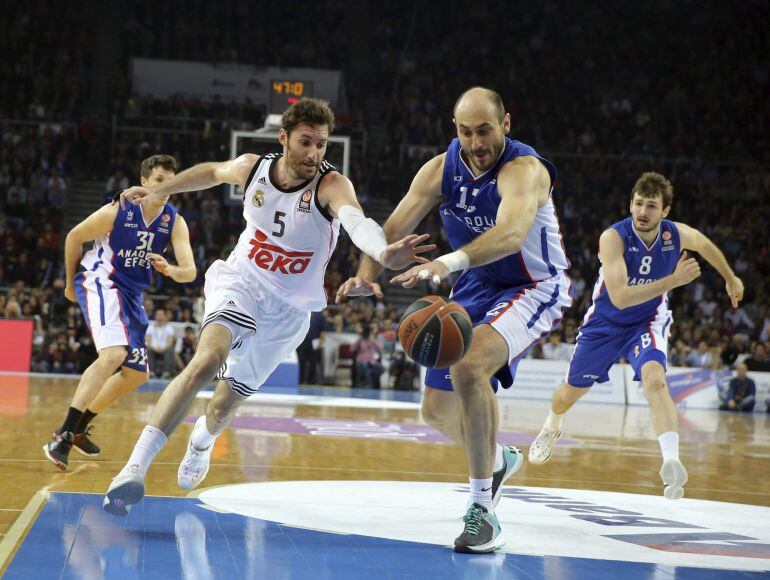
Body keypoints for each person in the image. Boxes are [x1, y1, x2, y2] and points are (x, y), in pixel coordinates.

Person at [102, 98, 434, 516]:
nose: (314, 153)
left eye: (321, 144)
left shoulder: (332, 186)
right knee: (206, 361)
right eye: (305, 142)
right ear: (284, 138)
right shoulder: (253, 167)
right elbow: (210, 172)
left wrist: (383, 254)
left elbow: (357, 223)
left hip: (289, 312)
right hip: (241, 281)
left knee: (223, 405)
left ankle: (202, 441)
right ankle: (133, 469)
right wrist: (160, 189)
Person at [337, 87, 571, 553]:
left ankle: (482, 510)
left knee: (470, 367)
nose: (475, 141)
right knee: (436, 412)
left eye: (484, 130)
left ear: (505, 124)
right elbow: (393, 230)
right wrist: (367, 274)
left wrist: (446, 262)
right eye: (465, 131)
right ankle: (498, 459)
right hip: (475, 285)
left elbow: (510, 234)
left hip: (532, 285)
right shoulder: (441, 169)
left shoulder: (525, 170)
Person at [528, 172, 744, 501]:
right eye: (639, 203)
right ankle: (551, 425)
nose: (643, 211)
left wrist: (729, 277)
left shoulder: (675, 235)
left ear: (665, 211)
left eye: (652, 206)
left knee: (656, 381)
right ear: (630, 204)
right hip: (606, 324)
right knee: (569, 393)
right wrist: (673, 280)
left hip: (648, 321)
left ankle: (671, 461)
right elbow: (620, 297)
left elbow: (704, 243)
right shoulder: (613, 238)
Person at [43, 155, 196, 471]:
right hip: (101, 280)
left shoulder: (174, 221)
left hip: (130, 294)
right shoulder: (118, 210)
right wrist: (69, 285)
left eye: (170, 180)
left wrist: (171, 270)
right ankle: (63, 434)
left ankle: (81, 426)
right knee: (112, 354)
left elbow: (191, 272)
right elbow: (74, 237)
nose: (165, 187)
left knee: (138, 374)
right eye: (159, 180)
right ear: (144, 182)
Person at [146, 308, 177, 378]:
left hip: (165, 348)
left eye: (161, 315)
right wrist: (155, 348)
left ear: (165, 317)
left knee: (169, 350)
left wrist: (162, 348)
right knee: (148, 349)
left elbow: (170, 342)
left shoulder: (169, 328)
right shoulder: (150, 327)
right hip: (153, 348)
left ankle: (166, 372)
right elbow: (148, 341)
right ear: (155, 316)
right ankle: (151, 372)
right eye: (158, 315)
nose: (159, 317)